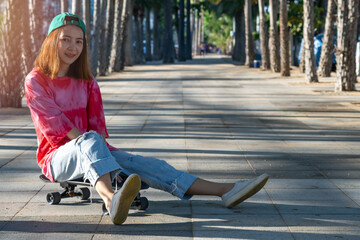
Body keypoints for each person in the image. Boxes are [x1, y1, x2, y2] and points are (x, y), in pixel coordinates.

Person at [25, 13, 269, 225]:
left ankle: (226, 190)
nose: (72, 47)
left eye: (79, 41)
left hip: (93, 147)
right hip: (55, 159)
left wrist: (112, 162)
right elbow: (57, 125)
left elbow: (97, 128)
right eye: (65, 39)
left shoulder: (87, 80)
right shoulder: (35, 81)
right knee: (89, 142)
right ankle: (111, 200)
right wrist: (103, 161)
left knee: (150, 165)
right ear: (51, 41)